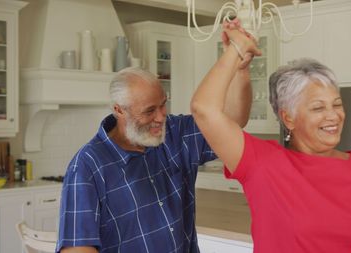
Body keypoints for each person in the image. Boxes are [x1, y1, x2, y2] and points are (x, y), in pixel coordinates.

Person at [190, 27, 351, 252]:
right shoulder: (263, 163)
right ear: (289, 118)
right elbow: (205, 109)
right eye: (318, 108)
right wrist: (237, 50)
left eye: (337, 104)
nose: (333, 115)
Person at [55, 26, 254, 253]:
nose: (161, 117)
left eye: (163, 104)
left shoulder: (176, 133)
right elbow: (77, 249)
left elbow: (233, 120)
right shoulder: (88, 166)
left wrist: (241, 71)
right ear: (119, 110)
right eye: (149, 111)